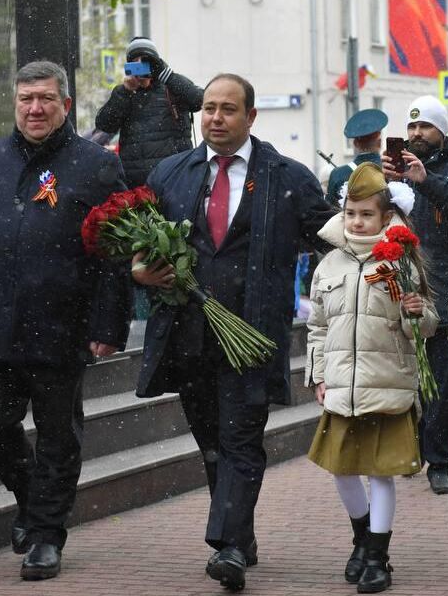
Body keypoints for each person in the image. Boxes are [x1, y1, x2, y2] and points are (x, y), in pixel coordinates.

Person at [0, 61, 132, 581]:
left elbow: (114, 256)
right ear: (14, 103)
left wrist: (109, 326)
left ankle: (45, 536)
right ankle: (30, 497)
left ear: (66, 104)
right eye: (25, 99)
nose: (35, 108)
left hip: (62, 324)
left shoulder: (95, 165)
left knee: (59, 435)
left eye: (45, 98)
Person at [132, 73, 336, 592]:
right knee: (212, 443)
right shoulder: (171, 173)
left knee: (241, 437)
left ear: (251, 117)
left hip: (252, 334)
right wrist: (137, 270)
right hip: (189, 332)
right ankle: (240, 537)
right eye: (208, 109)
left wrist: (380, 243)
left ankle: (226, 546)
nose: (215, 118)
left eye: (227, 109)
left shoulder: (285, 176)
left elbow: (332, 241)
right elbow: (134, 244)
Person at [305, 163, 438, 594]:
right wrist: (319, 375)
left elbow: (424, 323)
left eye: (366, 214)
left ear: (386, 219)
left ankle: (378, 556)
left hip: (388, 383)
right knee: (342, 469)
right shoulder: (328, 265)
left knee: (380, 473)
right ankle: (361, 538)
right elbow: (319, 327)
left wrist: (416, 313)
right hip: (342, 386)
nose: (357, 221)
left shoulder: (399, 262)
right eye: (351, 213)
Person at [380, 95, 448, 495]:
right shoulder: (393, 170)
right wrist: (383, 180)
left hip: (446, 290)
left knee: (441, 382)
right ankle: (412, 448)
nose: (417, 133)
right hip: (399, 289)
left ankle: (440, 461)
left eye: (425, 127)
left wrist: (427, 181)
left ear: (443, 131)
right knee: (408, 382)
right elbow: (364, 211)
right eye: (411, 126)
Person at [95, 36, 205, 188]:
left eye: (145, 61)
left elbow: (199, 100)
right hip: (137, 186)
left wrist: (167, 75)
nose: (140, 66)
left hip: (174, 178)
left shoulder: (172, 85)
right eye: (135, 62)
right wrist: (125, 92)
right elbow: (104, 124)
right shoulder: (124, 93)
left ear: (155, 62)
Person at [327, 108, 389, 203]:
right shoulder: (390, 170)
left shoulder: (338, 174)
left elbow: (331, 211)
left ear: (355, 144)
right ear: (380, 142)